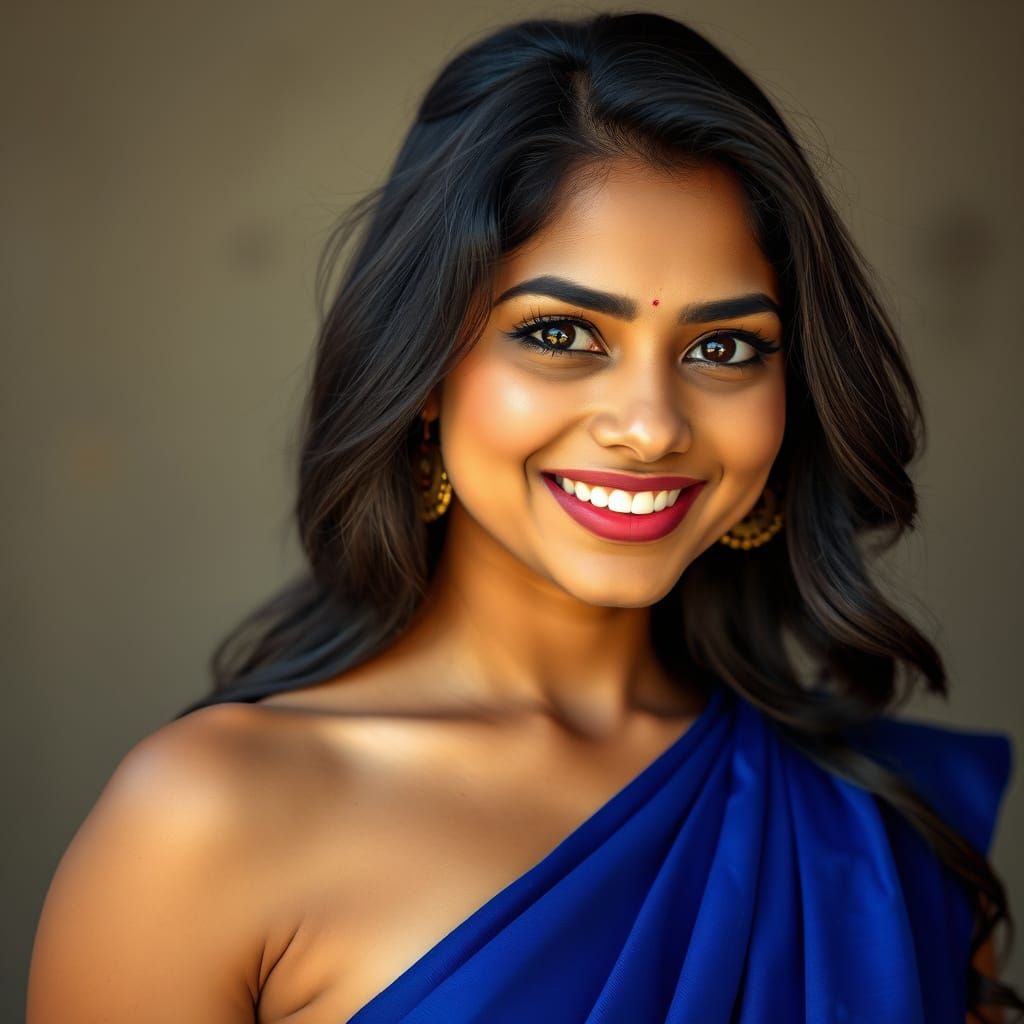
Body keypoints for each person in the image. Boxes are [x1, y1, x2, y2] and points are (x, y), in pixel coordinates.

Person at [26, 11, 1020, 1023]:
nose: (649, 426)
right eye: (559, 332)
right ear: (423, 371)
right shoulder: (204, 823)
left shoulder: (886, 831)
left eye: (723, 349)